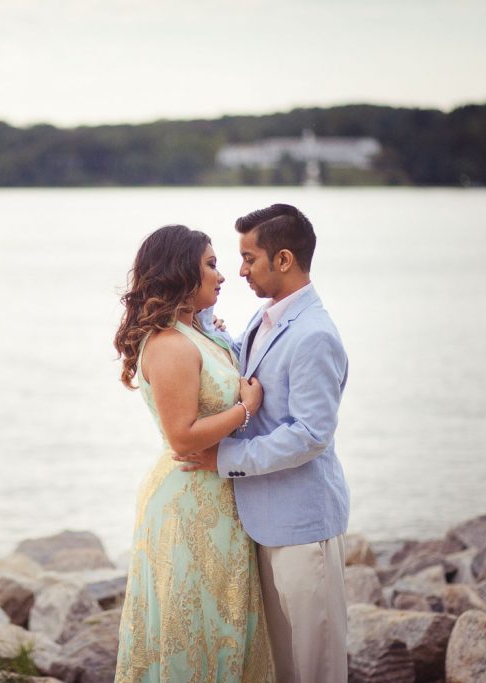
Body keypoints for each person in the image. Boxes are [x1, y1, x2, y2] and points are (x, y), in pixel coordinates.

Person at [175, 204, 351, 683]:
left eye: (250, 258)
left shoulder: (314, 334)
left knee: (318, 667)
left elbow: (312, 434)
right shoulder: (263, 319)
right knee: (284, 667)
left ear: (284, 259)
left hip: (303, 526)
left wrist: (224, 458)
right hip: (263, 523)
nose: (241, 270)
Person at [112, 224, 274, 683]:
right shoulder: (168, 345)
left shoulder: (196, 333)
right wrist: (245, 409)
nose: (221, 276)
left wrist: (220, 337)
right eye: (210, 264)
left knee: (226, 623)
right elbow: (183, 436)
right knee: (195, 628)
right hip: (188, 502)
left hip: (218, 497)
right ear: (181, 271)